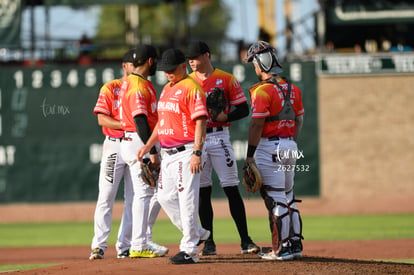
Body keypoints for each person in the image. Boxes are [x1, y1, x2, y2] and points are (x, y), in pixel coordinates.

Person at [186, 40, 260, 256]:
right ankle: (209, 243)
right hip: (197, 140)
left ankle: (246, 240)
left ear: (206, 55)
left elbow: (244, 109)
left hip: (219, 138)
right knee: (203, 192)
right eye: (189, 58)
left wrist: (225, 116)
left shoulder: (226, 79)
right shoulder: (187, 82)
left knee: (231, 189)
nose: (191, 61)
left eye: (195, 56)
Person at [137, 48, 210, 264]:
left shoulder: (192, 87)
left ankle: (190, 249)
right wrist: (149, 144)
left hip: (186, 150)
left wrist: (197, 152)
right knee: (164, 197)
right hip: (167, 153)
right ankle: (198, 232)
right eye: (164, 70)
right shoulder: (167, 88)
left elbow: (201, 121)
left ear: (182, 66)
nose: (167, 73)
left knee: (186, 198)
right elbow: (162, 122)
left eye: (171, 69)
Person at [243, 41, 304, 261]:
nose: (254, 67)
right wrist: (292, 143)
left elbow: (257, 125)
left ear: (262, 63)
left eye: (254, 62)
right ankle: (294, 244)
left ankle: (282, 249)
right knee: (288, 196)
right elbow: (299, 120)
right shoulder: (293, 89)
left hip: (270, 146)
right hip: (289, 145)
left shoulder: (262, 92)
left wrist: (249, 156)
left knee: (275, 198)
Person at [119, 45, 168, 258]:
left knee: (147, 193)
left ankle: (141, 241)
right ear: (150, 61)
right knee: (144, 193)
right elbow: (140, 119)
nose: (157, 63)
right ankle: (138, 244)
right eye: (155, 60)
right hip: (137, 141)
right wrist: (152, 149)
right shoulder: (137, 85)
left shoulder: (132, 82)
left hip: (132, 141)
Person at [89, 53, 134, 260]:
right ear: (124, 65)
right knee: (106, 195)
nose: (138, 66)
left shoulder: (141, 88)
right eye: (134, 62)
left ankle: (125, 245)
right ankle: (98, 245)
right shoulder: (111, 87)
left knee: (134, 199)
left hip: (135, 145)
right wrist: (127, 125)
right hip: (114, 145)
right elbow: (101, 119)